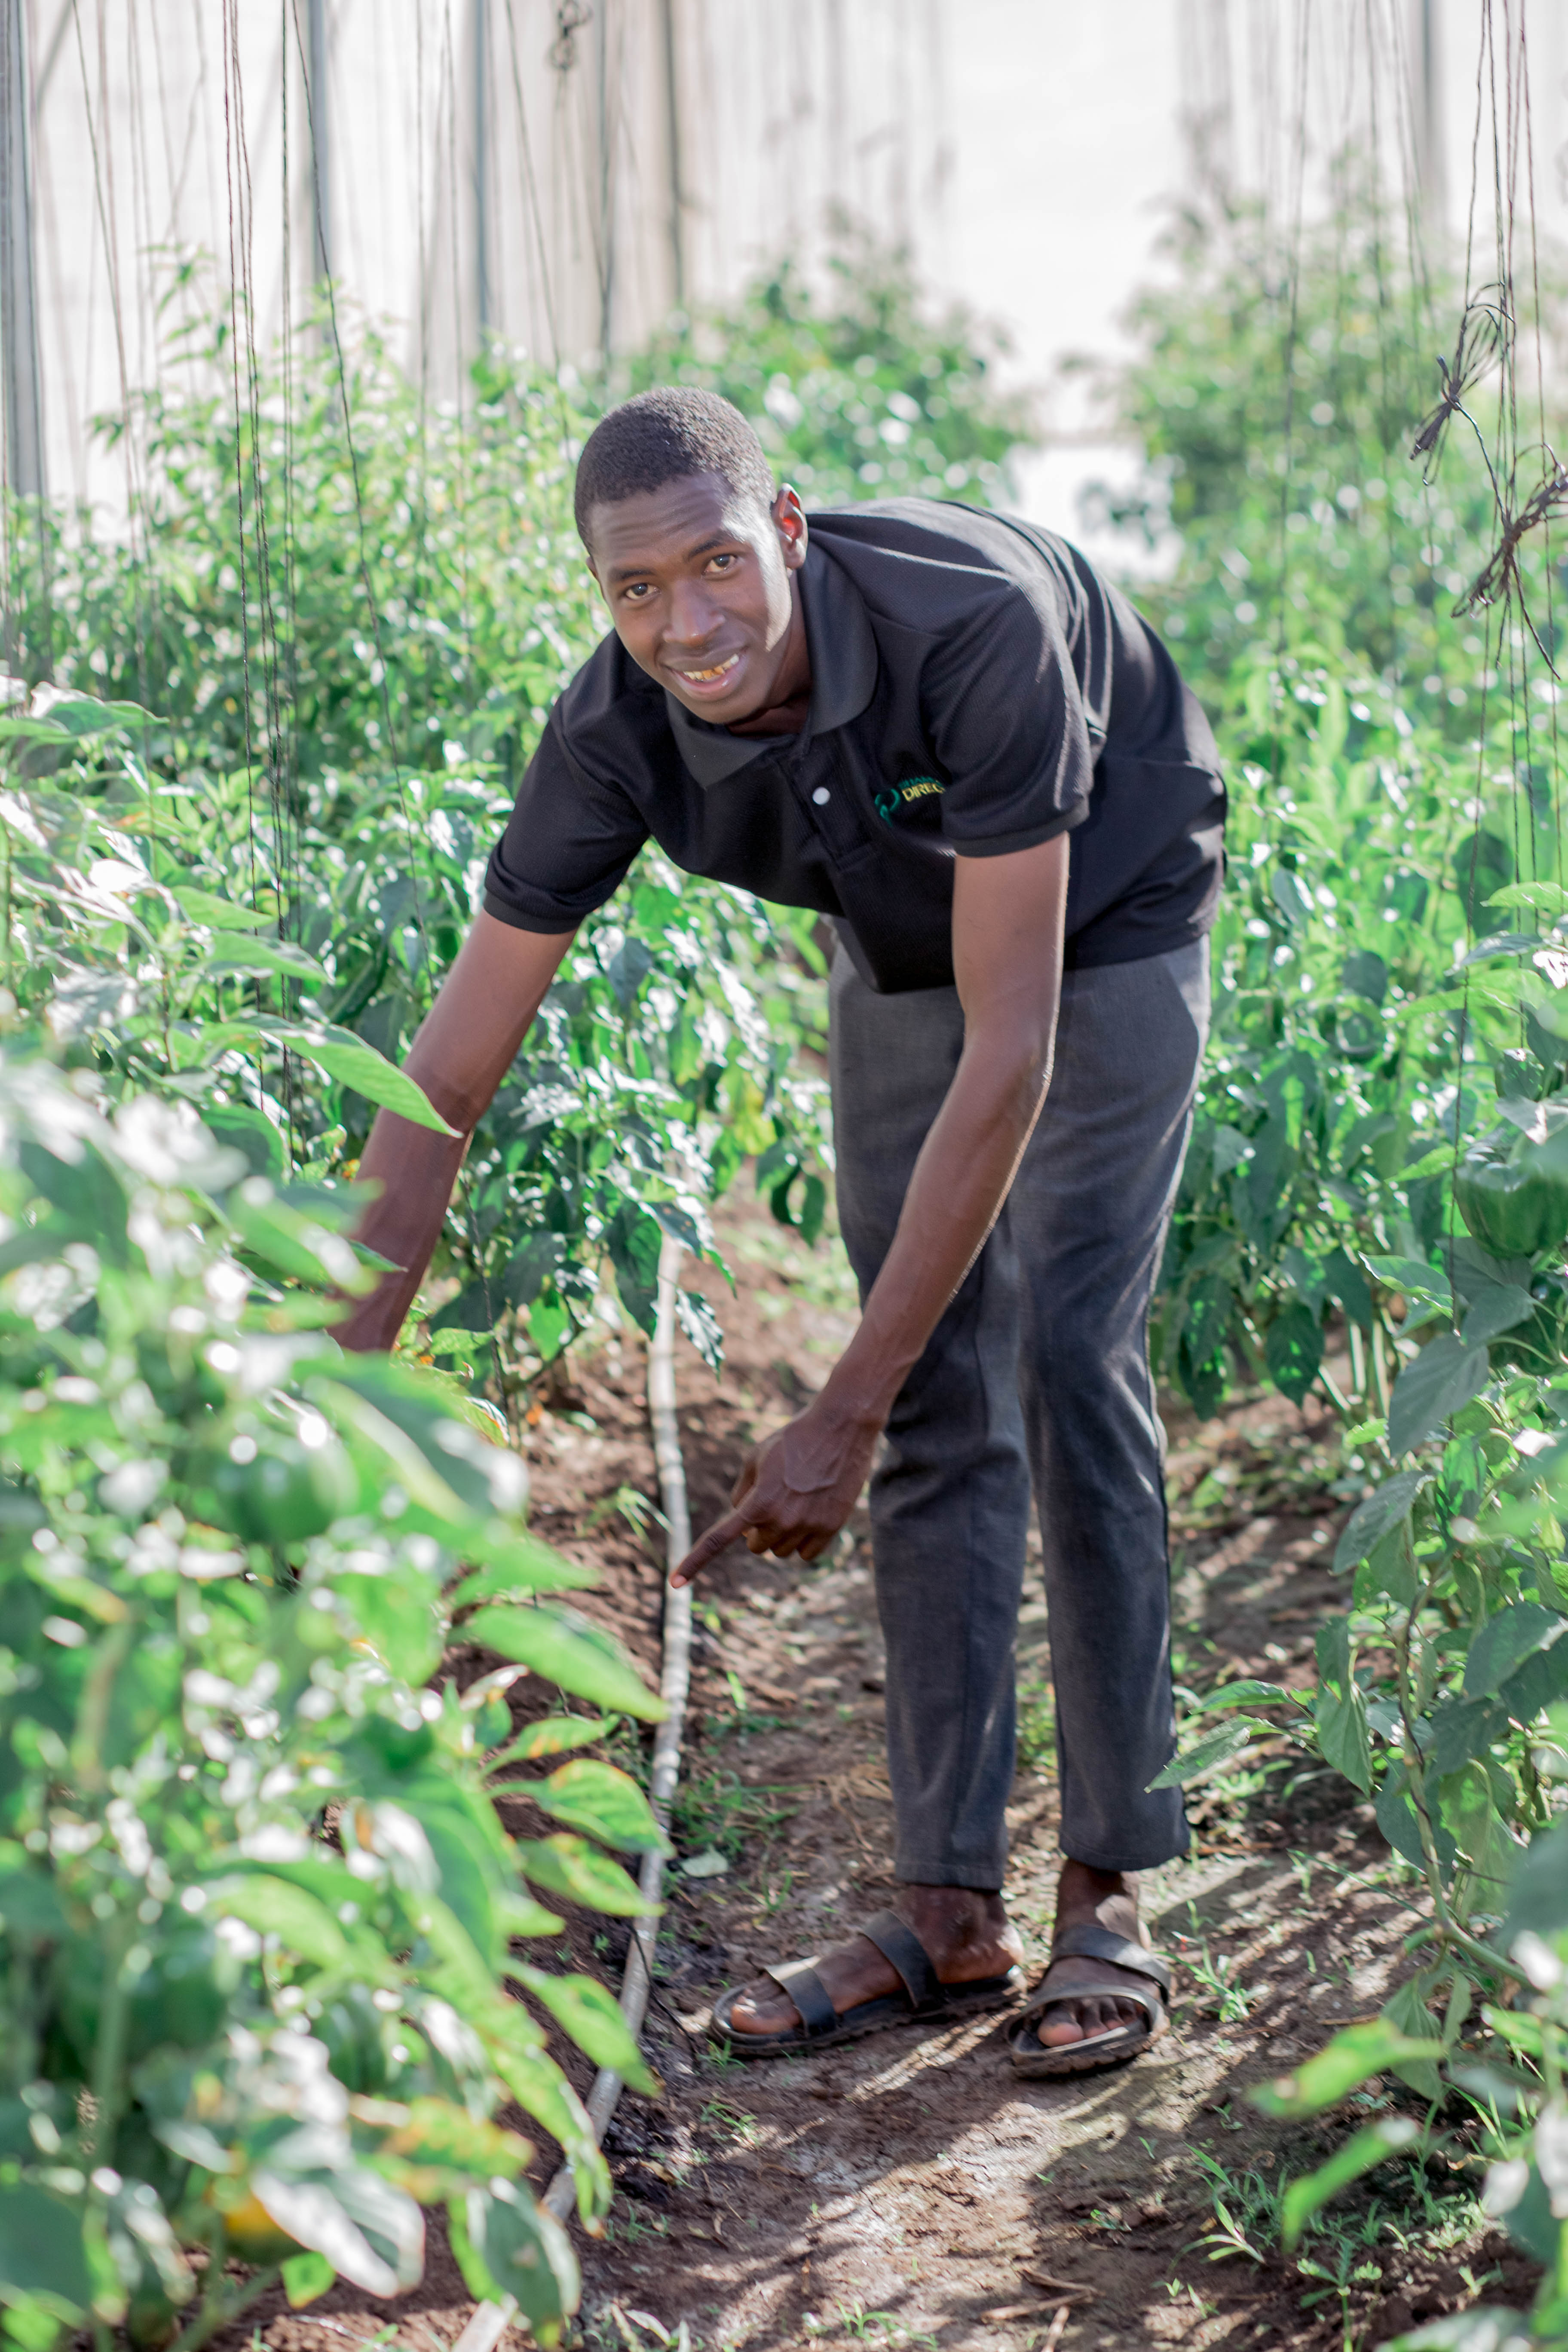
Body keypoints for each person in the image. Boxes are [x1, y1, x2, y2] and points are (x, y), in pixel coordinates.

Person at [340, 386, 1224, 2076]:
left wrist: (838, 1407)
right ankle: (948, 1915)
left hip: (1104, 895)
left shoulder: (975, 629)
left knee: (1062, 1350)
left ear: (790, 531)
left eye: (718, 564)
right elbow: (443, 1078)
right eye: (637, 588)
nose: (687, 623)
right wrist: (334, 1390)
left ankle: (1109, 1890)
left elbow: (1016, 1045)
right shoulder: (612, 734)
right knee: (934, 1385)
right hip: (897, 922)